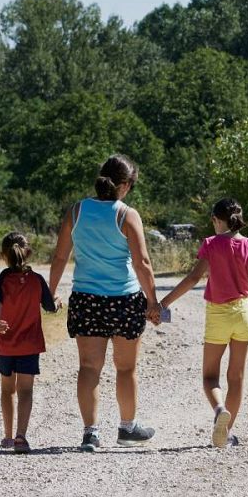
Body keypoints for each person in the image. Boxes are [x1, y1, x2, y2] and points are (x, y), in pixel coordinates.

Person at [47, 154, 161, 451]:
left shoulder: (76, 211)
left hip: (86, 300)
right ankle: (127, 429)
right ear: (124, 185)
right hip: (123, 300)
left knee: (88, 367)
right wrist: (153, 301)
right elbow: (142, 262)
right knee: (125, 369)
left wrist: (50, 290)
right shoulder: (127, 215)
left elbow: (60, 257)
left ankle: (90, 433)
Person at [158, 198, 248, 448]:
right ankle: (226, 432)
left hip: (218, 315)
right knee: (236, 378)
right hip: (243, 315)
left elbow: (193, 278)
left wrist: (165, 303)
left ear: (216, 220)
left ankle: (219, 410)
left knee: (209, 376)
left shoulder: (211, 244)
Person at [0, 231, 57, 454]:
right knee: (25, 390)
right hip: (29, 345)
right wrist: (58, 302)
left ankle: (7, 436)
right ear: (29, 253)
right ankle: (20, 438)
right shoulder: (36, 281)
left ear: (2, 255)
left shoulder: (0, 281)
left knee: (8, 390)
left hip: (6, 345)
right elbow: (50, 307)